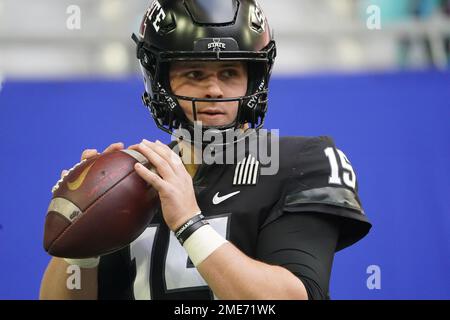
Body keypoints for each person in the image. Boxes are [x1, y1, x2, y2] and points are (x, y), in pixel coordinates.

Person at [40, 0, 371, 300]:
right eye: (194, 74)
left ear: (254, 80)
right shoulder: (130, 182)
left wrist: (189, 223)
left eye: (229, 73)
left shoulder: (299, 163)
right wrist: (80, 241)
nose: (213, 89)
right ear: (160, 81)